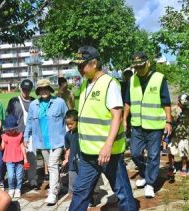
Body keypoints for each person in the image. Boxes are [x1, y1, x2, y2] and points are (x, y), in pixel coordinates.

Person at [69, 46, 137, 211]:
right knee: (80, 192)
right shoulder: (86, 83)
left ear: (94, 63)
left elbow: (117, 117)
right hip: (87, 153)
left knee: (122, 192)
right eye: (77, 65)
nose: (79, 69)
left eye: (82, 65)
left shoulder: (109, 84)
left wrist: (107, 145)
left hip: (108, 154)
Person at [123, 52, 172, 198]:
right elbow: (128, 102)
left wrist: (168, 121)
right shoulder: (132, 80)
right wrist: (125, 119)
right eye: (136, 67)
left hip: (155, 125)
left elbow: (166, 102)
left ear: (148, 63)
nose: (139, 70)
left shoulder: (159, 78)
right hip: (137, 125)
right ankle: (145, 173)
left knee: (153, 156)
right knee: (135, 153)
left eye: (141, 66)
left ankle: (150, 183)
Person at [24, 79, 68, 205]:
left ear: (50, 89)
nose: (44, 91)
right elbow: (30, 123)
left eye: (46, 88)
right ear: (38, 91)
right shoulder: (33, 105)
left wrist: (69, 139)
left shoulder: (59, 102)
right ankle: (58, 185)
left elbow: (68, 119)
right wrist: (26, 137)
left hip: (58, 140)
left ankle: (53, 193)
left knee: (53, 165)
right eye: (41, 89)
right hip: (42, 141)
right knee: (51, 165)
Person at [6, 79, 38, 188]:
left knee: (32, 157)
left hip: (31, 134)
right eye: (24, 89)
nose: (26, 92)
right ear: (20, 88)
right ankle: (19, 178)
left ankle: (32, 179)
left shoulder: (34, 102)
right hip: (17, 134)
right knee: (18, 158)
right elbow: (9, 117)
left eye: (28, 90)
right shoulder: (14, 101)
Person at [0, 115, 27, 198]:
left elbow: (22, 146)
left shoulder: (19, 135)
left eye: (12, 129)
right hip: (9, 159)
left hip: (19, 158)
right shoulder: (4, 136)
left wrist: (25, 158)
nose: (10, 131)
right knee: (11, 175)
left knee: (19, 176)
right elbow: (2, 147)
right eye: (8, 130)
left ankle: (18, 189)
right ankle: (11, 188)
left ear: (15, 128)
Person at [167, 93, 189, 177]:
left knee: (184, 150)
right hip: (173, 134)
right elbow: (168, 120)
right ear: (179, 102)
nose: (184, 105)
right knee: (171, 150)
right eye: (183, 103)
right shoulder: (173, 110)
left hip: (184, 135)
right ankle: (171, 167)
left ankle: (184, 166)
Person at [62, 110, 80, 194]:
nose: (69, 126)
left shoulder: (81, 133)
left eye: (71, 124)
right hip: (72, 163)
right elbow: (68, 148)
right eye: (67, 124)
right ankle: (74, 197)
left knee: (83, 181)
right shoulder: (67, 135)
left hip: (82, 162)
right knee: (73, 181)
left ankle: (88, 199)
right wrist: (66, 158)